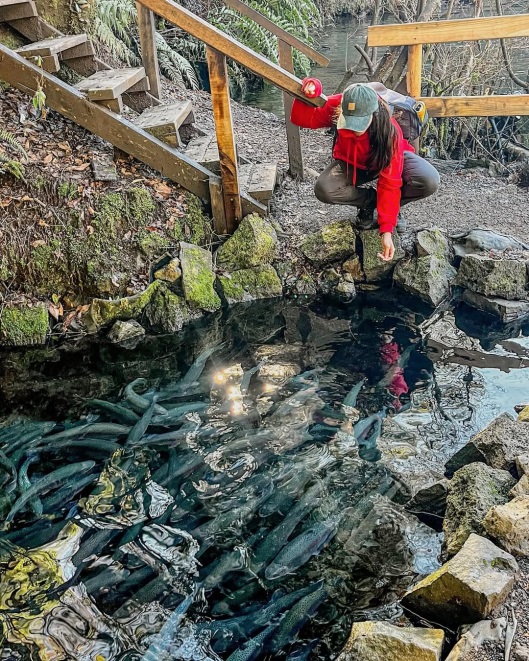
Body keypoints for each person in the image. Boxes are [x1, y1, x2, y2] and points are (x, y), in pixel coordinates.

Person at [290, 80, 440, 261]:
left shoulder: (390, 131)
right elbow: (300, 118)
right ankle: (369, 202)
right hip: (352, 163)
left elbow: (390, 183)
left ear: (374, 113)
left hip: (385, 158)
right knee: (324, 189)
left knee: (429, 180)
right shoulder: (341, 104)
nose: (355, 128)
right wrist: (312, 89)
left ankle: (392, 211)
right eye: (350, 121)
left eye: (360, 122)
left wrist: (386, 230)